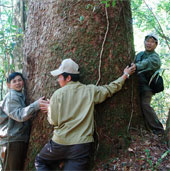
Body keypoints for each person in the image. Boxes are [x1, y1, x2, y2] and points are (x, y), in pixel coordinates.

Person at [35, 58, 136, 170]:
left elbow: (53, 121)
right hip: (81, 147)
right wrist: (125, 75)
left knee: (40, 161)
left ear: (68, 77)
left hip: (59, 144)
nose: (58, 79)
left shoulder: (57, 95)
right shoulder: (89, 91)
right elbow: (109, 89)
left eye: (59, 76)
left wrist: (50, 109)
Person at [0, 72, 48, 171]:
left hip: (17, 139)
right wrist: (36, 105)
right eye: (14, 81)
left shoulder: (19, 96)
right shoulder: (11, 97)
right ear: (9, 85)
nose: (18, 83)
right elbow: (19, 115)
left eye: (20, 80)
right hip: (12, 140)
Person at [133, 33, 164, 135]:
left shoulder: (155, 58)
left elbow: (145, 64)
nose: (149, 43)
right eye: (147, 41)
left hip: (147, 87)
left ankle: (159, 129)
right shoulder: (139, 54)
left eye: (152, 42)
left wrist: (135, 66)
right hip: (136, 85)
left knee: (145, 105)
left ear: (156, 45)